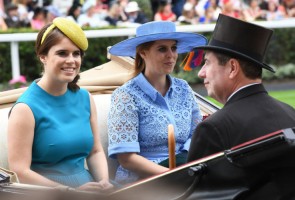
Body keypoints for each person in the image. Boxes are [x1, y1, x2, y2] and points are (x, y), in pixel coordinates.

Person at [187, 14, 295, 199]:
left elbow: (192, 193)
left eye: (207, 62)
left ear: (233, 68)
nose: (201, 73)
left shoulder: (213, 128)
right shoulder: (290, 113)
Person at [7, 17, 113, 191]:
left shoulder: (85, 97)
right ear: (43, 56)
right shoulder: (25, 109)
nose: (71, 60)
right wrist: (69, 192)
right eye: (62, 53)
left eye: (76, 53)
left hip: (89, 187)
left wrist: (104, 182)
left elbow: (95, 151)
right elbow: (20, 171)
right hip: (49, 193)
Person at [107, 21, 207, 185]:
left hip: (185, 171)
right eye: (162, 49)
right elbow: (126, 158)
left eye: (173, 48)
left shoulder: (184, 88)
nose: (171, 55)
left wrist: (185, 166)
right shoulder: (125, 96)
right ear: (143, 53)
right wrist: (171, 174)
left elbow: (197, 134)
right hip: (142, 183)